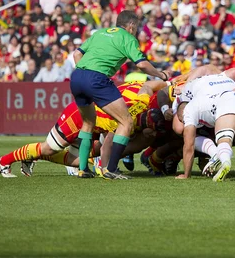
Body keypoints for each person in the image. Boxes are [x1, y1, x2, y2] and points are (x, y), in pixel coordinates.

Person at [0, 80, 168, 177]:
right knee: (50, 147)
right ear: (145, 122)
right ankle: (3, 161)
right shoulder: (124, 120)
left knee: (74, 160)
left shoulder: (141, 96)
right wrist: (106, 169)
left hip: (93, 121)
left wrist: (166, 82)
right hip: (77, 117)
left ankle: (34, 156)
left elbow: (152, 84)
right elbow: (109, 143)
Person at [70, 10, 169, 179]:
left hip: (77, 76)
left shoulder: (100, 32)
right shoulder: (128, 38)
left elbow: (77, 54)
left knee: (88, 122)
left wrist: (85, 74)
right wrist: (161, 75)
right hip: (97, 79)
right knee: (126, 122)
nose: (136, 31)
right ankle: (111, 169)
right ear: (130, 26)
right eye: (136, 27)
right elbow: (142, 64)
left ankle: (82, 170)